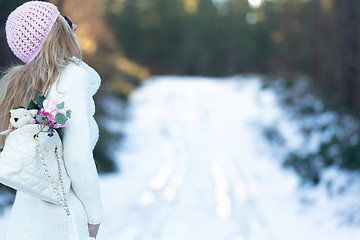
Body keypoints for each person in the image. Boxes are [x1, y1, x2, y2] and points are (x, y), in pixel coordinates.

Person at [0, 1, 103, 239]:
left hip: (24, 217)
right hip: (61, 217)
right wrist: (94, 213)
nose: (74, 27)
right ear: (55, 33)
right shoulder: (71, 77)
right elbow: (77, 157)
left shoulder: (23, 84)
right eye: (64, 21)